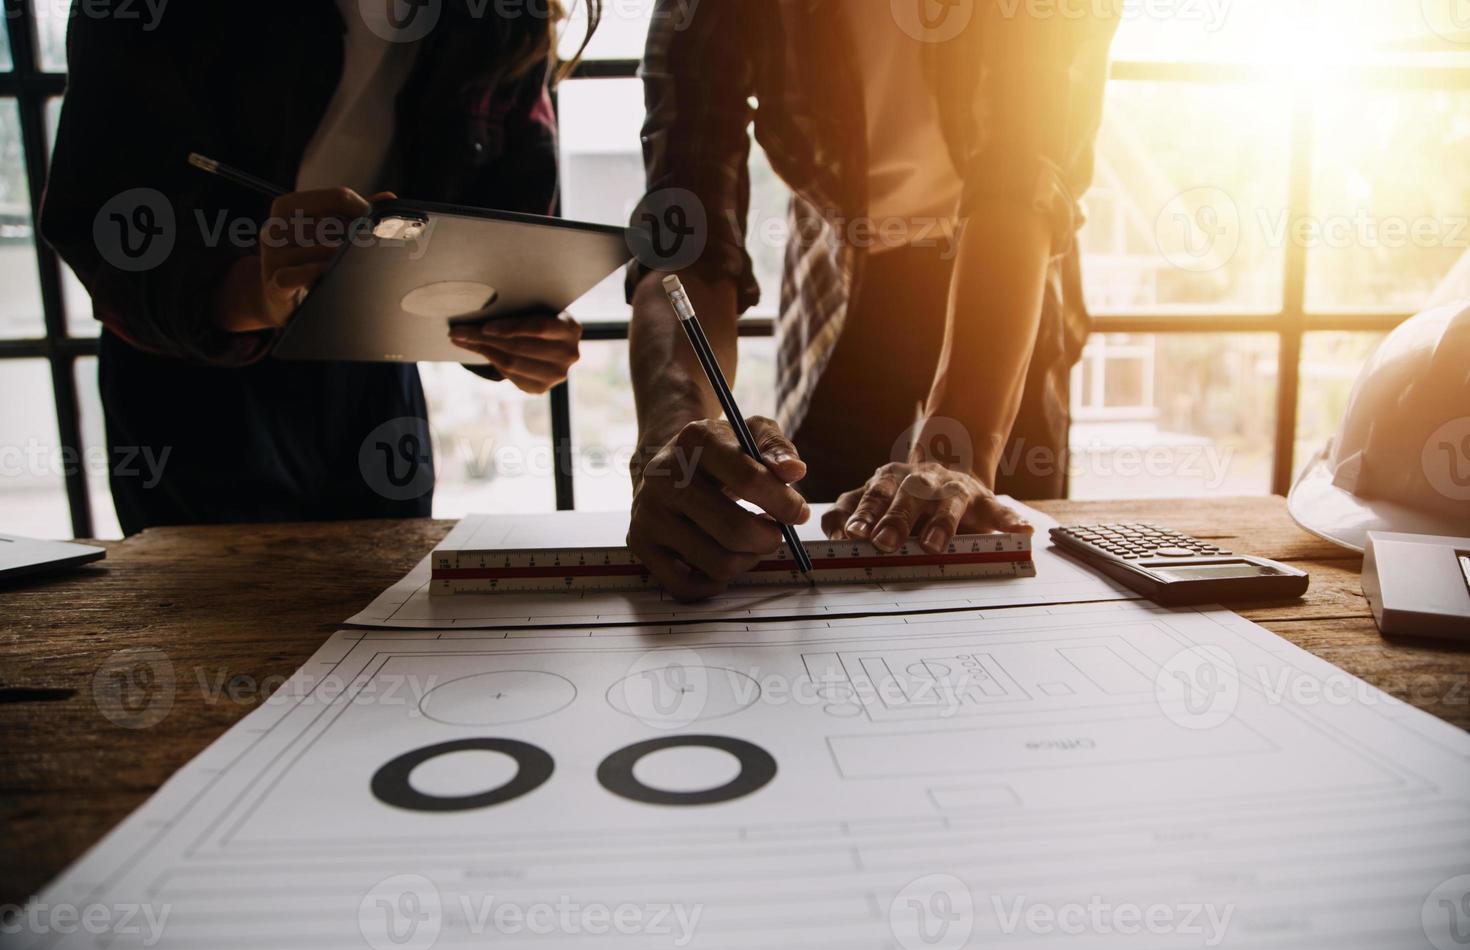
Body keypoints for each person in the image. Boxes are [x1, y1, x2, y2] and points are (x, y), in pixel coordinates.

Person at [42, 1, 596, 535]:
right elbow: (97, 214)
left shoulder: (501, 15)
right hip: (186, 373)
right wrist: (251, 291)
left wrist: (521, 330)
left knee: (387, 619)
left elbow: (508, 215)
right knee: (214, 623)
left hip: (371, 360)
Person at [625, 0, 1119, 599]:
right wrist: (671, 439)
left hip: (1008, 274)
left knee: (1003, 546)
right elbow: (686, 222)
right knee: (817, 526)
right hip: (843, 272)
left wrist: (962, 449)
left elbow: (1021, 181)